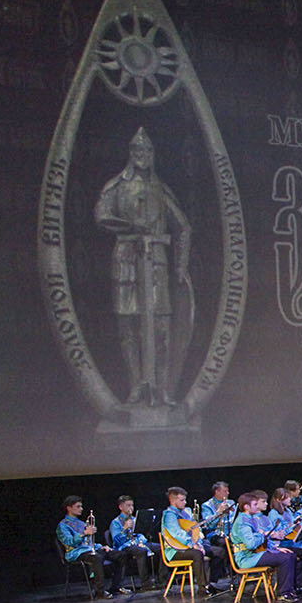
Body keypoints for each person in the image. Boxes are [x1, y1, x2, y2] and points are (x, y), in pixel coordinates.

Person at [94, 126, 192, 407]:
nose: (143, 154)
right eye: (138, 149)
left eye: (147, 150)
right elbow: (101, 215)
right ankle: (136, 386)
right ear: (130, 152)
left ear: (153, 154)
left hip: (156, 261)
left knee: (161, 327)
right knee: (128, 325)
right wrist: (129, 226)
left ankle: (162, 389)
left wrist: (180, 266)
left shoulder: (159, 189)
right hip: (126, 259)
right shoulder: (117, 186)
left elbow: (183, 227)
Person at [229, 490, 299, 602]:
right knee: (285, 558)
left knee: (290, 554)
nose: (257, 507)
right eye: (255, 504)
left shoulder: (251, 519)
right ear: (246, 507)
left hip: (257, 553)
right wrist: (263, 535)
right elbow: (251, 544)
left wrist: (275, 548)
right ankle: (283, 592)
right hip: (247, 558)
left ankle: (290, 589)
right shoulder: (242, 522)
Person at [159, 486, 229, 595]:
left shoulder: (187, 512)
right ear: (173, 501)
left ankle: (210, 583)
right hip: (175, 550)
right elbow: (177, 533)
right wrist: (192, 544)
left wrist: (199, 543)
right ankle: (202, 588)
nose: (185, 502)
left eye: (185, 499)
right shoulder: (169, 515)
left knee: (219, 552)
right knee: (197, 554)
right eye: (182, 500)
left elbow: (195, 528)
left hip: (191, 546)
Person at [56, 495, 125, 598]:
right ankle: (99, 591)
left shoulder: (81, 523)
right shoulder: (63, 525)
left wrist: (101, 546)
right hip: (76, 553)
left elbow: (89, 542)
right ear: (69, 508)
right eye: (78, 506)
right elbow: (69, 542)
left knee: (120, 555)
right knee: (96, 558)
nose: (81, 509)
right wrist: (84, 533)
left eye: (81, 506)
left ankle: (116, 587)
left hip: (89, 550)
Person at [107, 495, 154, 587]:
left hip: (137, 543)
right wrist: (124, 529)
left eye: (132, 505)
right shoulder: (116, 522)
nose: (131, 508)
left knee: (159, 547)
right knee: (141, 551)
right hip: (124, 547)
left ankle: (162, 581)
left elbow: (141, 533)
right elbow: (117, 541)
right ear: (121, 507)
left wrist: (141, 541)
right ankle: (145, 582)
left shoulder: (135, 519)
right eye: (128, 505)